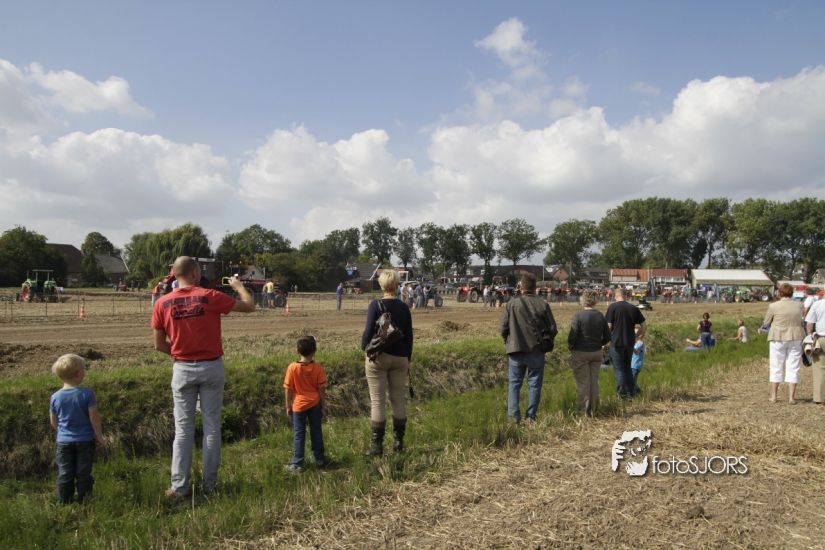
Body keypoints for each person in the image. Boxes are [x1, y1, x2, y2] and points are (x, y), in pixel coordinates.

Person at [152, 256, 255, 499]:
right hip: (211, 367)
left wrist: (180, 354)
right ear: (194, 272)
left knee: (183, 430)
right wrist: (239, 287)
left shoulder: (162, 303)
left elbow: (159, 345)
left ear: (175, 274)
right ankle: (210, 484)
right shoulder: (210, 296)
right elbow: (249, 306)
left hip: (182, 368)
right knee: (211, 427)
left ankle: (179, 487)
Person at [360, 270, 413, 456]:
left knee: (378, 401)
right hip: (401, 358)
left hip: (379, 358)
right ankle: (399, 443)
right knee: (398, 399)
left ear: (382, 285)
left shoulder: (375, 305)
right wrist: (408, 359)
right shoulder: (404, 307)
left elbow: (367, 335)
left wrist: (365, 347)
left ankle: (377, 446)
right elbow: (409, 337)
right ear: (397, 285)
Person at [500, 273, 558, 423]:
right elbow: (553, 329)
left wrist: (508, 341)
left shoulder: (511, 304)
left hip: (515, 350)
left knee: (514, 384)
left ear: (521, 287)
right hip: (536, 350)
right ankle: (530, 417)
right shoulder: (543, 304)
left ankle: (513, 418)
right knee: (534, 385)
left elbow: (503, 328)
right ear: (534, 287)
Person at [49, 354, 104, 504]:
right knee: (83, 472)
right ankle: (84, 500)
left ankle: (64, 502)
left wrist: (63, 433)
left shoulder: (55, 397)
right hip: (85, 440)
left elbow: (53, 422)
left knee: (65, 473)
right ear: (78, 374)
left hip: (63, 442)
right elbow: (94, 419)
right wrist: (99, 437)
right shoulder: (87, 394)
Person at [284, 335, 328, 472]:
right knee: (316, 431)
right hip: (314, 404)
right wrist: (323, 405)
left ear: (297, 350)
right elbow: (322, 389)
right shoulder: (318, 368)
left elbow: (288, 389)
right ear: (314, 351)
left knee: (299, 434)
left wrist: (288, 405)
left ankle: (297, 463)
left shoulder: (292, 368)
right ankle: (319, 459)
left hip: (298, 406)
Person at [567, 289, 610, 416]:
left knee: (583, 383)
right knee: (593, 382)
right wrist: (599, 343)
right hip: (596, 352)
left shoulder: (578, 316)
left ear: (583, 300)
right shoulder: (600, 316)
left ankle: (583, 412)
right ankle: (594, 409)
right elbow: (608, 336)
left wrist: (571, 346)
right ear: (595, 301)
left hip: (581, 352)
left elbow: (573, 336)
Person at [763, 282, 805, 404]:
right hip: (795, 336)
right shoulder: (799, 305)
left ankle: (774, 396)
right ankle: (791, 397)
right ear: (792, 293)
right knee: (793, 366)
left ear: (780, 293)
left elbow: (766, 323)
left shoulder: (773, 306)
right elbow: (802, 319)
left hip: (778, 337)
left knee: (776, 365)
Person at [605, 288, 646, 398]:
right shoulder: (633, 308)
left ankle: (622, 395)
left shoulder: (612, 307)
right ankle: (632, 393)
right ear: (626, 296)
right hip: (629, 343)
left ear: (615, 296)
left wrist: (606, 340)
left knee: (619, 370)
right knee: (627, 368)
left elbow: (609, 326)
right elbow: (643, 325)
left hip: (616, 343)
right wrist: (636, 337)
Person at [805, 297, 825, 404]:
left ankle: (819, 397)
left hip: (821, 338)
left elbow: (809, 323)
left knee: (819, 368)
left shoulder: (817, 304)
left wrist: (809, 337)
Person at [631, 329, 645, 393]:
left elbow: (635, 351)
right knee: (632, 381)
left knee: (632, 382)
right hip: (633, 365)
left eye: (636, 333)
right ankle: (638, 392)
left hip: (636, 365)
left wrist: (629, 344)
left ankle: (636, 392)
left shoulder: (640, 343)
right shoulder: (636, 343)